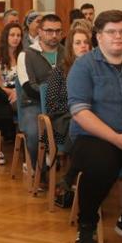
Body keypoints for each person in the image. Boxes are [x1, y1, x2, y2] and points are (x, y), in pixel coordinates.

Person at [65, 10, 122, 243]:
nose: (118, 37)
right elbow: (80, 111)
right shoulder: (84, 66)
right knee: (102, 164)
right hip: (93, 137)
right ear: (98, 36)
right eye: (111, 32)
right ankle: (87, 223)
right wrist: (116, 139)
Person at [43, 22, 93, 192]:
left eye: (86, 42)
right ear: (70, 47)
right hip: (64, 118)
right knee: (80, 124)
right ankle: (78, 179)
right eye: (78, 43)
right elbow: (51, 103)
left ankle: (74, 177)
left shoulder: (97, 70)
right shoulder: (60, 71)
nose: (83, 46)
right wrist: (77, 110)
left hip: (93, 117)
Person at [17, 14, 63, 171]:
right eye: (49, 31)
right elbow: (28, 88)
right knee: (34, 132)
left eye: (58, 31)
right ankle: (40, 170)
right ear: (40, 31)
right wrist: (52, 96)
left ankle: (72, 173)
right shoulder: (26, 54)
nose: (54, 35)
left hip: (64, 104)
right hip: (34, 103)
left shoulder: (67, 53)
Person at [0, 22, 25, 164]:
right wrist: (14, 92)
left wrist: (19, 92)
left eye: (19, 35)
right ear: (6, 37)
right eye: (12, 35)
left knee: (30, 106)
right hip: (3, 93)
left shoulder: (25, 57)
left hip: (21, 93)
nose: (16, 38)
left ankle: (31, 150)